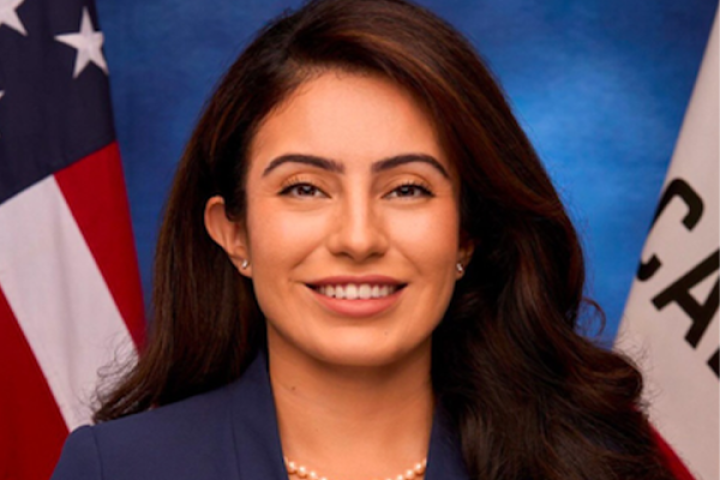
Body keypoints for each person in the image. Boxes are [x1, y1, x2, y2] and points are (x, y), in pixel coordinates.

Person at [51, 1, 678, 479]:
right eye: (304, 188)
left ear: (467, 234)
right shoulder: (119, 468)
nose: (357, 238)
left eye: (407, 189)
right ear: (232, 231)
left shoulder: (595, 462)